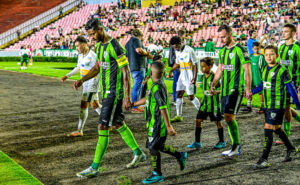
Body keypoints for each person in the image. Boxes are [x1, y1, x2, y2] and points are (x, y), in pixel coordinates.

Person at [74, 19, 146, 178]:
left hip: (114, 93)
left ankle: (95, 167)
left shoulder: (115, 46)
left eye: (93, 34)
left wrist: (127, 97)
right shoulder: (99, 46)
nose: (91, 37)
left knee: (102, 126)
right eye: (89, 35)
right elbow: (98, 67)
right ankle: (138, 152)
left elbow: (126, 71)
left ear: (100, 29)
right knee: (118, 123)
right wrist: (82, 79)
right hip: (106, 91)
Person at [132, 61, 187, 184]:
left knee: (153, 147)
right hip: (153, 123)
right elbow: (149, 98)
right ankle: (179, 155)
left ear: (151, 72)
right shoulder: (157, 85)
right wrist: (134, 103)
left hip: (158, 124)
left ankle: (157, 174)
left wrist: (169, 126)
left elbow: (163, 108)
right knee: (157, 145)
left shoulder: (157, 88)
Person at [252, 45, 300, 169]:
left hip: (277, 105)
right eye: (266, 54)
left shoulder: (283, 70)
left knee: (268, 127)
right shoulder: (264, 69)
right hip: (268, 105)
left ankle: (264, 159)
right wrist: (251, 92)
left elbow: (291, 88)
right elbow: (263, 85)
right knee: (276, 128)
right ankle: (291, 148)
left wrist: (298, 105)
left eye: (271, 54)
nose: (269, 57)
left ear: (277, 56)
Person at [210, 25, 252, 157]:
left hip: (236, 89)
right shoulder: (222, 51)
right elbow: (220, 70)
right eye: (219, 37)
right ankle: (235, 145)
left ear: (230, 34)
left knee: (228, 116)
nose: (221, 40)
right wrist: (213, 84)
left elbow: (247, 69)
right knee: (228, 118)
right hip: (224, 90)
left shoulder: (240, 49)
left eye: (223, 37)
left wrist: (248, 88)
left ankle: (235, 146)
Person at [61, 36, 102, 137]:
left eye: (77, 46)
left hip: (92, 83)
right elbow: (78, 67)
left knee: (84, 105)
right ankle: (111, 120)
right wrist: (67, 75)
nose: (76, 48)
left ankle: (80, 130)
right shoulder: (80, 55)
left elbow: (97, 70)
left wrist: (83, 81)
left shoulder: (93, 55)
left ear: (84, 45)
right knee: (95, 105)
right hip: (85, 83)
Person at [187, 57, 226, 149]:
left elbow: (223, 90)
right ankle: (197, 142)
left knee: (218, 122)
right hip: (204, 103)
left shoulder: (214, 78)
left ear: (210, 66)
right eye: (201, 67)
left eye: (204, 67)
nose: (202, 69)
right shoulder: (203, 77)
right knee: (198, 120)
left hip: (214, 104)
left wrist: (216, 92)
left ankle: (222, 141)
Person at [275, 24, 300, 144]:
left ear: (293, 33)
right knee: (286, 107)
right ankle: (286, 134)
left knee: (287, 106)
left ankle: (286, 135)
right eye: (283, 31)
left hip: (294, 82)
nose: (283, 33)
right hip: (283, 82)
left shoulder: (298, 47)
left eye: (286, 31)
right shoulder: (281, 47)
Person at [167, 36, 201, 123]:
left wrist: (194, 78)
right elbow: (177, 63)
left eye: (177, 47)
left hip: (189, 77)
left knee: (190, 97)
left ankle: (202, 112)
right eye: (174, 47)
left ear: (180, 43)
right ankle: (179, 116)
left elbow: (195, 65)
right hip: (182, 76)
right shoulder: (176, 51)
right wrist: (171, 71)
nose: (176, 49)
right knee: (179, 94)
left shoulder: (189, 50)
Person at [125, 28, 151, 113]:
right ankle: (135, 106)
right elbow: (139, 50)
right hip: (139, 66)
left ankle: (136, 105)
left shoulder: (128, 43)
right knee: (137, 87)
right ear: (140, 35)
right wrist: (147, 54)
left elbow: (127, 57)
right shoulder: (136, 39)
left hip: (132, 67)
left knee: (137, 86)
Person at [241, 42, 267, 113]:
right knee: (249, 90)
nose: (256, 50)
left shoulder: (262, 57)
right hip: (251, 77)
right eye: (255, 49)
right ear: (252, 49)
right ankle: (249, 106)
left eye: (258, 49)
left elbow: (265, 67)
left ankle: (262, 107)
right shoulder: (251, 56)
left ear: (260, 48)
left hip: (259, 77)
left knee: (261, 92)